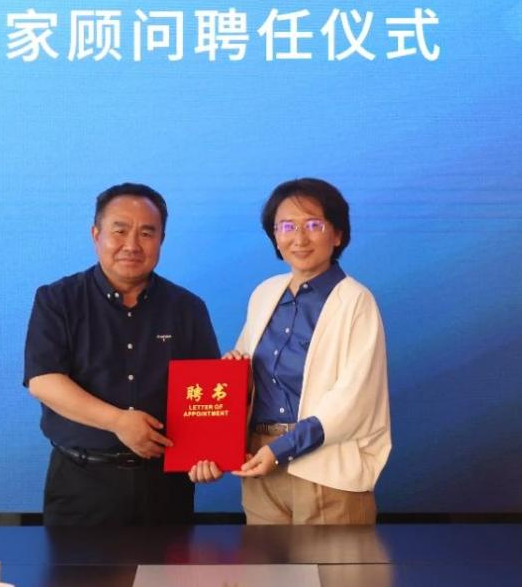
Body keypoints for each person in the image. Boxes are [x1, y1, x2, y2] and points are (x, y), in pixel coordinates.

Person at [190, 177, 390, 524]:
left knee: (334, 563)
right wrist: (214, 446)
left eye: (313, 225)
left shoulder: (356, 301)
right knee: (263, 562)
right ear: (275, 236)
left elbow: (354, 400)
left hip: (327, 472)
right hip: (259, 466)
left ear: (337, 234)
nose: (299, 238)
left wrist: (280, 450)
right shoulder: (265, 294)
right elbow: (244, 384)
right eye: (286, 226)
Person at [24, 182, 220, 526]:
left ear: (161, 240)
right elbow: (43, 381)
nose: (132, 245)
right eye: (120, 231)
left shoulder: (187, 308)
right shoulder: (58, 300)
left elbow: (208, 393)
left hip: (165, 486)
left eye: (146, 233)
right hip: (81, 483)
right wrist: (118, 421)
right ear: (96, 234)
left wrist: (208, 452)